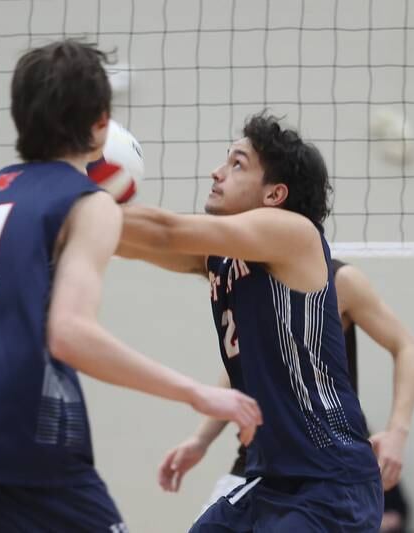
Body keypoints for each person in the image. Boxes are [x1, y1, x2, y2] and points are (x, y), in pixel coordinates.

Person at [0, 39, 261, 533]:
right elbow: (70, 334)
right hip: (17, 441)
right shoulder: (88, 203)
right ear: (102, 123)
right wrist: (196, 392)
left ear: (19, 116)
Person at [118, 113, 391, 531]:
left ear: (275, 194)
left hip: (331, 483)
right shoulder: (220, 255)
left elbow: (166, 230)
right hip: (270, 480)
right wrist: (65, 218)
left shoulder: (293, 233)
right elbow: (137, 242)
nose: (217, 171)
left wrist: (81, 202)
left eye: (237, 163)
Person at [156, 258, 414, 532]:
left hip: (323, 466)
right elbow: (242, 366)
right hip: (259, 466)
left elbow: (407, 347)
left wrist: (397, 433)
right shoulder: (244, 275)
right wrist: (201, 439)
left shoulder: (339, 279)